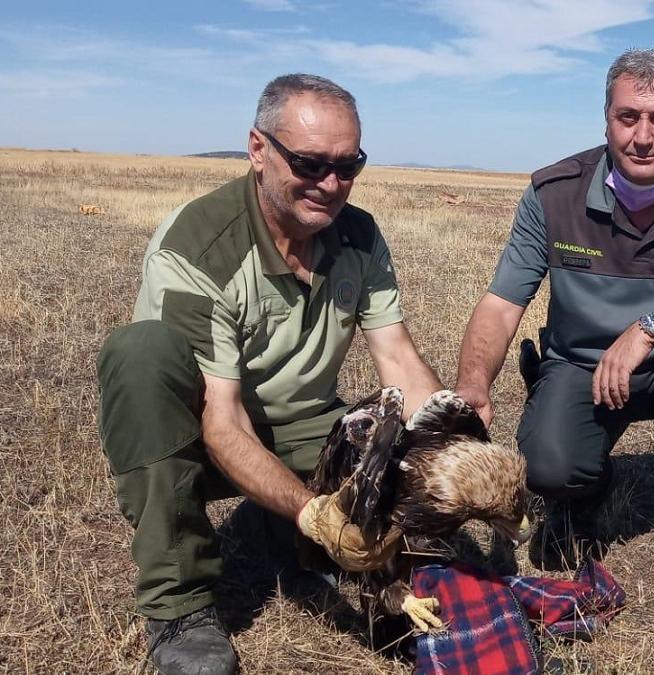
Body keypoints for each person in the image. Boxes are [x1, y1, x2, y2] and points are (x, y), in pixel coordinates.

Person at [96, 74, 442, 675]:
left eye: (349, 165)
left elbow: (400, 361)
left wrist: (457, 448)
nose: (331, 185)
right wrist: (315, 514)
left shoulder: (359, 234)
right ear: (259, 150)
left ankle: (283, 527)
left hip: (311, 428)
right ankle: (178, 605)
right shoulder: (199, 248)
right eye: (309, 164)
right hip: (203, 431)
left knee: (395, 478)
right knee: (140, 353)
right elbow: (221, 421)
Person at [455, 48, 654, 615]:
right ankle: (587, 489)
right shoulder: (552, 193)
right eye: (628, 117)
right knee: (551, 467)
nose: (643, 136)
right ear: (606, 117)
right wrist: (473, 387)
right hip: (582, 367)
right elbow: (502, 303)